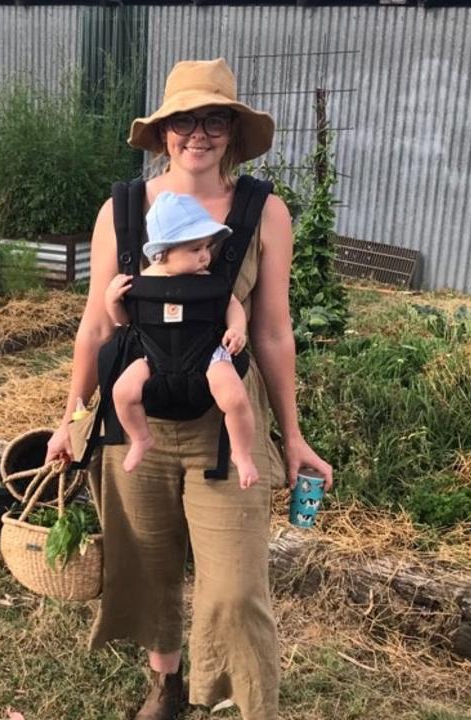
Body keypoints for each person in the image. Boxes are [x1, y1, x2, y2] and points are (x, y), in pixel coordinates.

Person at [44, 57, 334, 720]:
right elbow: (94, 328)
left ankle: (227, 698)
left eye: (213, 119)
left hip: (225, 429)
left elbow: (273, 335)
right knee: (147, 567)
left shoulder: (266, 213)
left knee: (233, 588)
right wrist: (73, 419)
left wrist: (293, 437)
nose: (196, 134)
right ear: (161, 131)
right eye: (183, 120)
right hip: (133, 421)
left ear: (232, 131)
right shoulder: (120, 211)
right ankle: (165, 685)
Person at [105, 191, 259, 489]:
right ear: (162, 253)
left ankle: (242, 454)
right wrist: (112, 299)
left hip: (208, 355)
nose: (205, 256)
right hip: (153, 356)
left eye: (206, 247)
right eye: (195, 249)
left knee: (235, 397)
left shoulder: (209, 283)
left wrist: (236, 330)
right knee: (122, 392)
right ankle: (141, 438)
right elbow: (125, 322)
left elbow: (232, 306)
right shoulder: (141, 284)